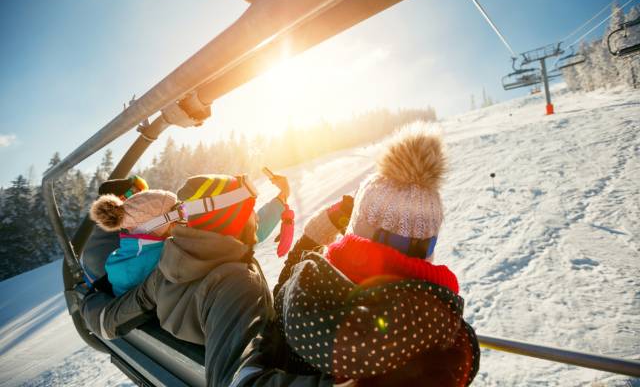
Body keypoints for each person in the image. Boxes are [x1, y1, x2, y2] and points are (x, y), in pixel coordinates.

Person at [251, 122, 479, 386]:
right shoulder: (446, 337)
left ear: (357, 232)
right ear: (428, 246)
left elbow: (285, 288)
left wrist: (314, 235)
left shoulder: (308, 300)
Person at [80, 173, 339, 386]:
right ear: (232, 219)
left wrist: (87, 299)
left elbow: (109, 319)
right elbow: (236, 379)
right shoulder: (235, 284)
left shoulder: (167, 268)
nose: (256, 217)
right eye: (250, 210)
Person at [88, 189, 178, 296]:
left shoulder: (129, 253)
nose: (178, 223)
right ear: (152, 226)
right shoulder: (154, 257)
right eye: (175, 218)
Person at [80, 175, 150, 292]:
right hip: (116, 284)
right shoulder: (124, 224)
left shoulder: (97, 224)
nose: (140, 201)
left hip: (102, 280)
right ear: (121, 200)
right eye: (135, 194)